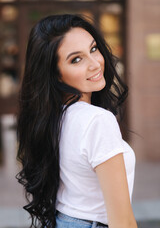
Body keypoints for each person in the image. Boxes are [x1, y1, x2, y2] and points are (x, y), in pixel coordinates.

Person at [16, 14, 137, 228]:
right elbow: (122, 221)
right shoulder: (97, 121)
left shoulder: (54, 117)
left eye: (93, 49)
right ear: (55, 74)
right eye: (76, 59)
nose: (95, 64)